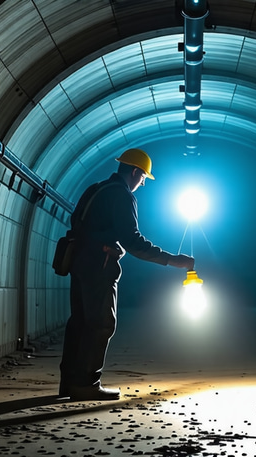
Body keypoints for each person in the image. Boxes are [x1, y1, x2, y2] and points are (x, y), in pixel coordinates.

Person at [59, 148, 195, 401]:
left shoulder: (95, 189)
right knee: (101, 324)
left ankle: (69, 383)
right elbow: (133, 240)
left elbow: (78, 222)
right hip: (99, 267)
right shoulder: (122, 195)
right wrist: (171, 260)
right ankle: (87, 384)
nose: (143, 183)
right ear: (134, 172)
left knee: (79, 322)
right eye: (143, 177)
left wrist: (108, 243)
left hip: (79, 263)